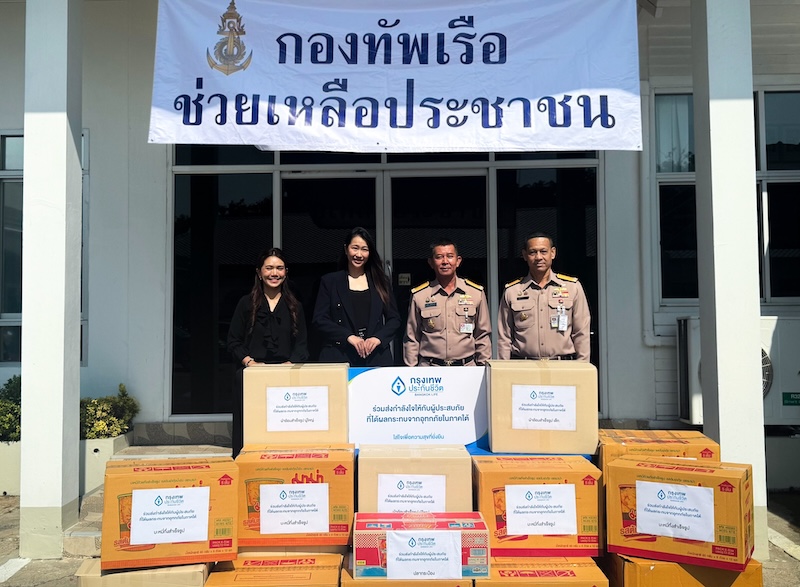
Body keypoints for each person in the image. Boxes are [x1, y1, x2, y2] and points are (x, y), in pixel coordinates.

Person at [227, 247, 309, 457]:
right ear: (259, 272)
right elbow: (233, 341)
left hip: (285, 374)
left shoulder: (295, 306)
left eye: (279, 268)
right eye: (269, 268)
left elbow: (302, 345)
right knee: (250, 429)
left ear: (286, 272)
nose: (274, 273)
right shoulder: (246, 304)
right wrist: (250, 363)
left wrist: (288, 365)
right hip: (251, 374)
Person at [313, 227, 400, 366]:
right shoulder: (330, 282)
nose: (359, 254)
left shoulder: (380, 282)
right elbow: (320, 319)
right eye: (355, 248)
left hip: (375, 358)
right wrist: (348, 337)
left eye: (364, 249)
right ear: (346, 249)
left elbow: (394, 319)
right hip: (340, 356)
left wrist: (378, 338)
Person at [497, 232, 591, 361]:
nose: (538, 257)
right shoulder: (512, 291)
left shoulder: (572, 288)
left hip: (563, 366)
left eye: (543, 251)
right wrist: (504, 368)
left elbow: (581, 333)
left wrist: (583, 366)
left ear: (553, 253)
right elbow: (504, 337)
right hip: (524, 367)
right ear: (524, 255)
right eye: (532, 252)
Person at [404, 239, 491, 366]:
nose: (445, 262)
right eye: (439, 257)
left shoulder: (475, 293)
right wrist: (411, 370)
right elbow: (412, 337)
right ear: (431, 262)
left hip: (466, 368)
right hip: (430, 368)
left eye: (450, 256)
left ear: (458, 261)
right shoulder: (420, 295)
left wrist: (483, 367)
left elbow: (482, 335)